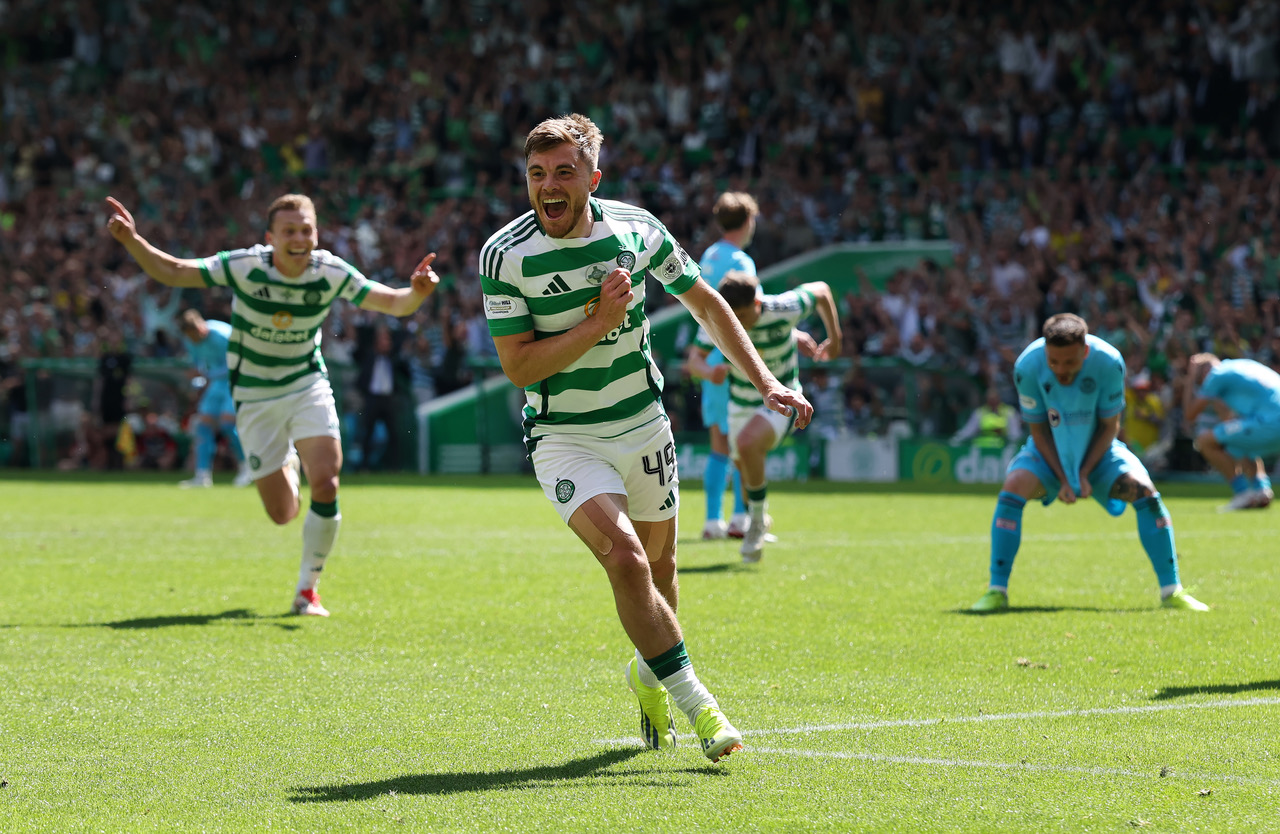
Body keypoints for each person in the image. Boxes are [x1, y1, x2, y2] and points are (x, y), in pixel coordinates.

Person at [479, 114, 812, 763]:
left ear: (592, 179)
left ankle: (647, 672)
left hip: (642, 429)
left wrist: (766, 380)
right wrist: (601, 320)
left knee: (661, 577)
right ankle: (704, 710)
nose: (549, 185)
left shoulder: (636, 229)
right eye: (537, 174)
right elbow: (519, 367)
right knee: (626, 561)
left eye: (563, 172)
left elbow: (709, 303)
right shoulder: (504, 254)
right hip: (564, 438)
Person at [105, 193, 440, 617]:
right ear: (271, 237)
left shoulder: (329, 271)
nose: (299, 239)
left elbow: (392, 303)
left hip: (305, 383)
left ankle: (307, 590)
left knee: (328, 481)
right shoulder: (246, 265)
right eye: (289, 232)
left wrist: (417, 292)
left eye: (306, 230)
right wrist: (133, 240)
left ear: (315, 234)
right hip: (255, 395)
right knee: (283, 513)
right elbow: (174, 273)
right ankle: (287, 464)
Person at [969, 313, 1209, 613]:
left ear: (1084, 351)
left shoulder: (1109, 362)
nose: (1060, 370)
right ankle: (996, 591)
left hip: (1100, 452)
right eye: (1054, 362)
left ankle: (1172, 592)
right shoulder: (1027, 366)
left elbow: (1110, 427)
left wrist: (1082, 473)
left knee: (1145, 492)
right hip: (1048, 454)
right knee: (1014, 486)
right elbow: (1039, 431)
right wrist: (1064, 477)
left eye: (1069, 362)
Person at [690, 271, 841, 563]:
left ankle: (755, 523)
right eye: (734, 316)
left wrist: (835, 338)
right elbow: (693, 361)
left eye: (744, 315)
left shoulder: (782, 308)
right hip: (740, 403)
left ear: (758, 302)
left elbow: (821, 287)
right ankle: (758, 515)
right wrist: (709, 372)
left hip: (782, 398)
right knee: (743, 469)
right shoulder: (717, 317)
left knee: (747, 444)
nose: (740, 324)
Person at [685, 192, 759, 541]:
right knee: (744, 443)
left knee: (719, 443)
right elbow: (745, 316)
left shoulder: (709, 255)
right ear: (747, 222)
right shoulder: (742, 264)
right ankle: (742, 518)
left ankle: (712, 520)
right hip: (735, 360)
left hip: (710, 355)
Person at [1184, 353, 1280, 511]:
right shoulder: (1241, 365)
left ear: (1204, 371)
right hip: (1269, 420)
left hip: (1271, 422)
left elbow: (1189, 415)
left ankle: (1242, 493)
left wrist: (1189, 378)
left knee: (1204, 441)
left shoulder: (1216, 375)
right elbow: (1228, 421)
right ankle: (1261, 490)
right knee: (1238, 441)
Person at [176, 308, 252, 488]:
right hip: (216, 384)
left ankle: (247, 467)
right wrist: (198, 379)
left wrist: (204, 373)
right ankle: (202, 475)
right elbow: (199, 364)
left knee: (227, 424)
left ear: (200, 325)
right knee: (202, 426)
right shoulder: (190, 341)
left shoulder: (223, 335)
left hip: (235, 381)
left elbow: (239, 362)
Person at [353, 324, 410, 471]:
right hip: (372, 398)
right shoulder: (369, 356)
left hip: (388, 399)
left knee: (394, 434)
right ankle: (364, 466)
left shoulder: (393, 359)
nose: (386, 343)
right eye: (383, 340)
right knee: (368, 433)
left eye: (388, 340)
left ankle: (394, 467)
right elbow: (360, 341)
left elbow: (402, 340)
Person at [950, 386, 1023, 448]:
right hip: (983, 449)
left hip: (1003, 449)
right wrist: (956, 439)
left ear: (999, 399)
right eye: (990, 400)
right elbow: (968, 431)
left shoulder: (1009, 412)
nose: (993, 402)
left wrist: (1012, 446)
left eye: (995, 399)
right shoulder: (980, 412)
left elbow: (1015, 434)